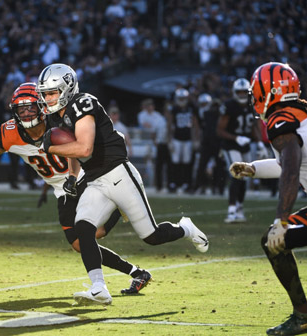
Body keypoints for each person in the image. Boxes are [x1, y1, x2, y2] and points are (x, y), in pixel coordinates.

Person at [0, 82, 152, 294]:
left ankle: (100, 283)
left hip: (81, 178)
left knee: (89, 233)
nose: (25, 113)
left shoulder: (59, 122)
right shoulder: (9, 133)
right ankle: (137, 272)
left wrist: (74, 175)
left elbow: (82, 149)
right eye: (20, 108)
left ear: (41, 106)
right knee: (81, 243)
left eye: (30, 107)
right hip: (60, 190)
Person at [37, 63, 209, 306]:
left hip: (119, 173)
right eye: (45, 94)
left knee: (151, 236)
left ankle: (186, 228)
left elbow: (84, 146)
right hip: (95, 179)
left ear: (67, 88)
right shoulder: (59, 115)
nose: (48, 98)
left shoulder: (83, 103)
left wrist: (50, 147)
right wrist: (73, 178)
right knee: (83, 229)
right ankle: (99, 288)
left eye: (52, 92)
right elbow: (75, 154)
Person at [229, 62, 307, 335]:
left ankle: (303, 316)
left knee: (274, 241)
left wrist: (282, 219)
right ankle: (303, 316)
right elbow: (292, 161)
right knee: (273, 240)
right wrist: (254, 168)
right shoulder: (303, 113)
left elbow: (292, 168)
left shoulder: (281, 118)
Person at [217, 78, 265, 223]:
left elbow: (255, 126)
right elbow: (219, 130)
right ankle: (231, 210)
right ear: (234, 92)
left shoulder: (253, 105)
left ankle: (239, 208)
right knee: (236, 174)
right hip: (231, 145)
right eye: (240, 92)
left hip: (245, 145)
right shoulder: (229, 106)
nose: (242, 94)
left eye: (245, 92)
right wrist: (236, 138)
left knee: (244, 177)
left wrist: (260, 143)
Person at [166, 88, 200, 193]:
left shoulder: (191, 108)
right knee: (175, 162)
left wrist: (196, 139)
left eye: (183, 98)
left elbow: (195, 125)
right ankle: (173, 183)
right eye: (180, 98)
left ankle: (186, 183)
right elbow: (169, 124)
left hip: (188, 139)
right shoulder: (174, 109)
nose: (182, 100)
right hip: (177, 139)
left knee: (187, 163)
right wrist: (169, 140)